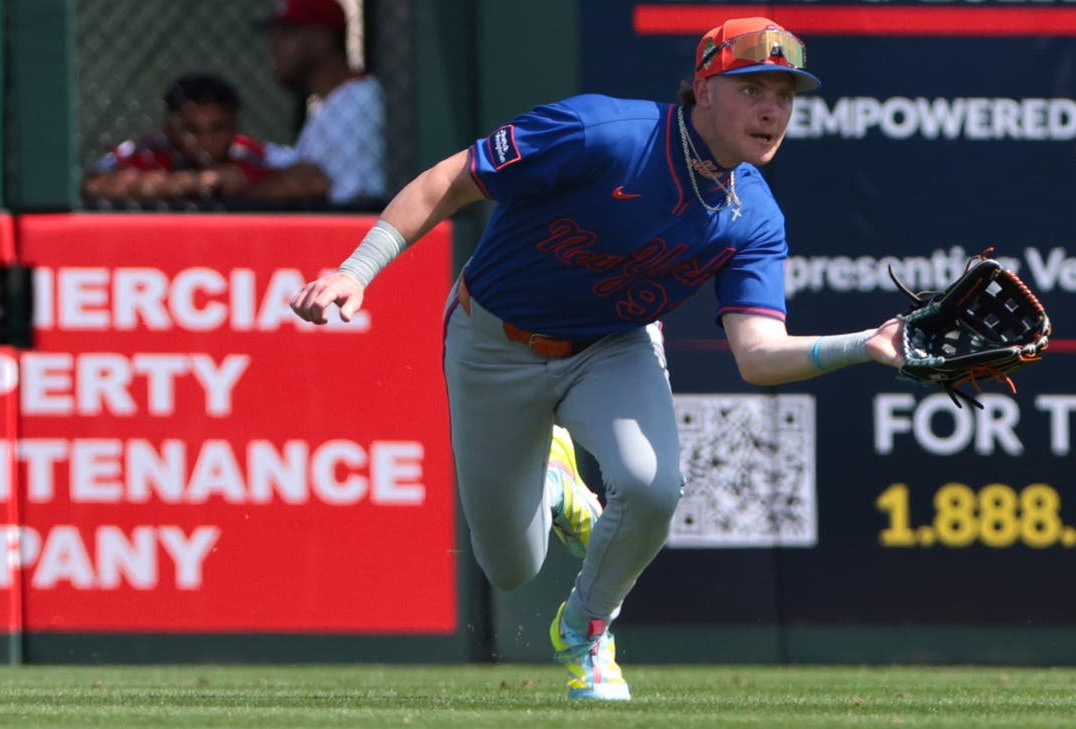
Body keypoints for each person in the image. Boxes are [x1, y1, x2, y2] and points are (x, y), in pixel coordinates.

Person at [290, 16, 905, 700]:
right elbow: (450, 180)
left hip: (614, 343)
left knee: (653, 487)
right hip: (495, 344)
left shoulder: (755, 215)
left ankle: (585, 630)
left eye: (785, 96)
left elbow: (758, 356)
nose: (772, 110)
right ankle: (556, 486)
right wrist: (356, 270)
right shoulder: (601, 133)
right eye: (752, 88)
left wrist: (864, 346)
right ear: (703, 89)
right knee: (511, 566)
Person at [254, 0, 387, 205]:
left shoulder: (357, 103)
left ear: (319, 40)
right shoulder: (331, 103)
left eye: (286, 34)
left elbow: (359, 201)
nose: (275, 47)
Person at [82, 73, 272, 201]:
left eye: (217, 129)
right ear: (169, 127)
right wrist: (191, 183)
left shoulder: (256, 155)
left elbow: (290, 177)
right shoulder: (146, 152)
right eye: (191, 129)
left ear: (234, 127)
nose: (205, 140)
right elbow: (92, 186)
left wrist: (246, 187)